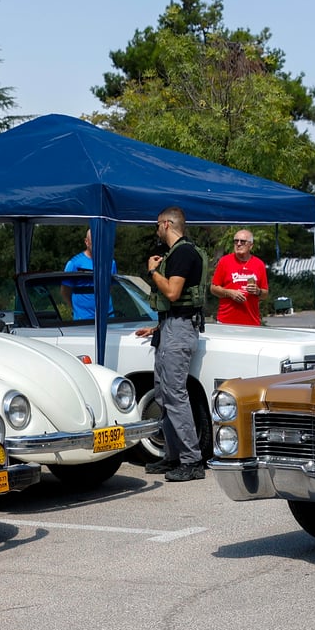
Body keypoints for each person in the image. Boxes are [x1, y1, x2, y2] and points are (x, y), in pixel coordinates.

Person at [134, 206, 207, 482]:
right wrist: (158, 327)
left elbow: (174, 293)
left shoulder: (184, 253)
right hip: (169, 327)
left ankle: (192, 461)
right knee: (163, 394)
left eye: (157, 225)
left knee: (175, 395)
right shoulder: (178, 253)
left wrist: (153, 272)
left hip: (179, 330)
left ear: (166, 224)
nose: (156, 230)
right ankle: (173, 456)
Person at [210, 229, 268, 326]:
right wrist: (229, 293)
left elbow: (265, 294)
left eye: (242, 241)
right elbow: (213, 288)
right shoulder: (225, 261)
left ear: (251, 245)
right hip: (226, 321)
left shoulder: (259, 264)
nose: (238, 244)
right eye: (236, 241)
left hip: (251, 321)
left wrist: (258, 291)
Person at [61, 228, 118, 319]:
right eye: (94, 241)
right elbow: (65, 291)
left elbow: (110, 288)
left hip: (107, 317)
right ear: (86, 242)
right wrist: (76, 310)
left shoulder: (111, 263)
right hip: (83, 319)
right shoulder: (74, 263)